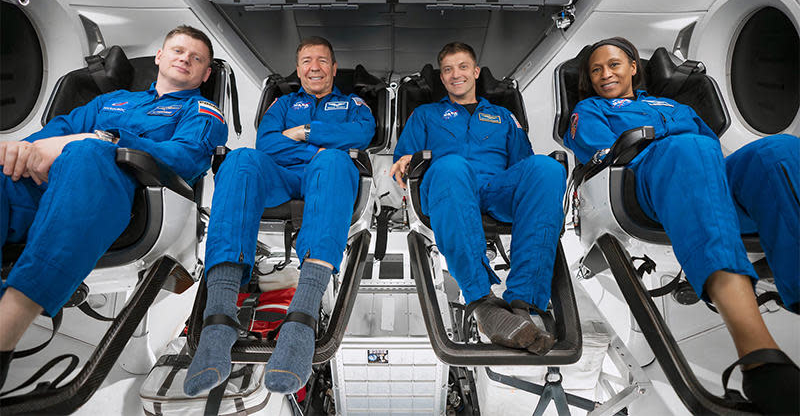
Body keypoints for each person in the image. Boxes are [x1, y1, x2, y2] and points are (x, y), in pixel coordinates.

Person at [564, 36, 799, 414]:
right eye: (596, 70)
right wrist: (674, 147)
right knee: (690, 149)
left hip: (703, 170)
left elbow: (711, 148)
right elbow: (599, 152)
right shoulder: (590, 110)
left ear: (633, 67)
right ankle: (759, 359)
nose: (605, 74)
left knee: (779, 151)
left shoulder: (672, 105)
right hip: (639, 183)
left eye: (613, 64)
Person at [0, 25, 228, 387]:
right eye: (177, 51)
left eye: (196, 58)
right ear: (159, 57)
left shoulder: (203, 110)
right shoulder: (112, 101)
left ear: (205, 74)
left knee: (89, 152)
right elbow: (55, 133)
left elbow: (185, 158)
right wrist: (21, 150)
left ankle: (8, 327)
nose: (184, 58)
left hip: (129, 204)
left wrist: (105, 139)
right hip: (48, 191)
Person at [184, 36, 375, 395]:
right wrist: (327, 139)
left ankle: (301, 319)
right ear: (298, 68)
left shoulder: (353, 103)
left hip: (328, 172)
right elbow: (267, 143)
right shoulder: (282, 103)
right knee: (240, 159)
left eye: (321, 60)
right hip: (280, 174)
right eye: (306, 61)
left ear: (334, 69)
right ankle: (219, 318)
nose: (313, 67)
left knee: (334, 160)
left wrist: (306, 132)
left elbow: (362, 132)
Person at [390, 42, 565, 353]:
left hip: (496, 189)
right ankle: (481, 300)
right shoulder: (425, 114)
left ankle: (525, 300)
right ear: (442, 79)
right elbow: (403, 163)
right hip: (447, 188)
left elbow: (525, 166)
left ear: (475, 72)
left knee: (547, 168)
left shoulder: (503, 116)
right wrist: (404, 162)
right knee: (453, 166)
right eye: (447, 70)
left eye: (462, 67)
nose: (456, 74)